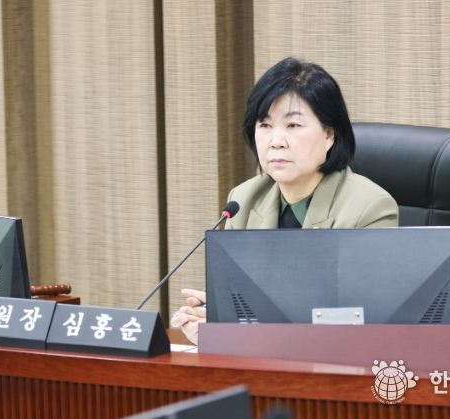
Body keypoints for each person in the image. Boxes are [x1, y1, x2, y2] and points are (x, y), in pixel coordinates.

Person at [171, 57, 398, 344]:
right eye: (265, 125)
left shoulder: (369, 208)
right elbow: (242, 299)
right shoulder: (243, 201)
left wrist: (245, 327)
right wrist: (216, 319)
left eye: (293, 125)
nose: (276, 141)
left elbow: (360, 321)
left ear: (330, 134)